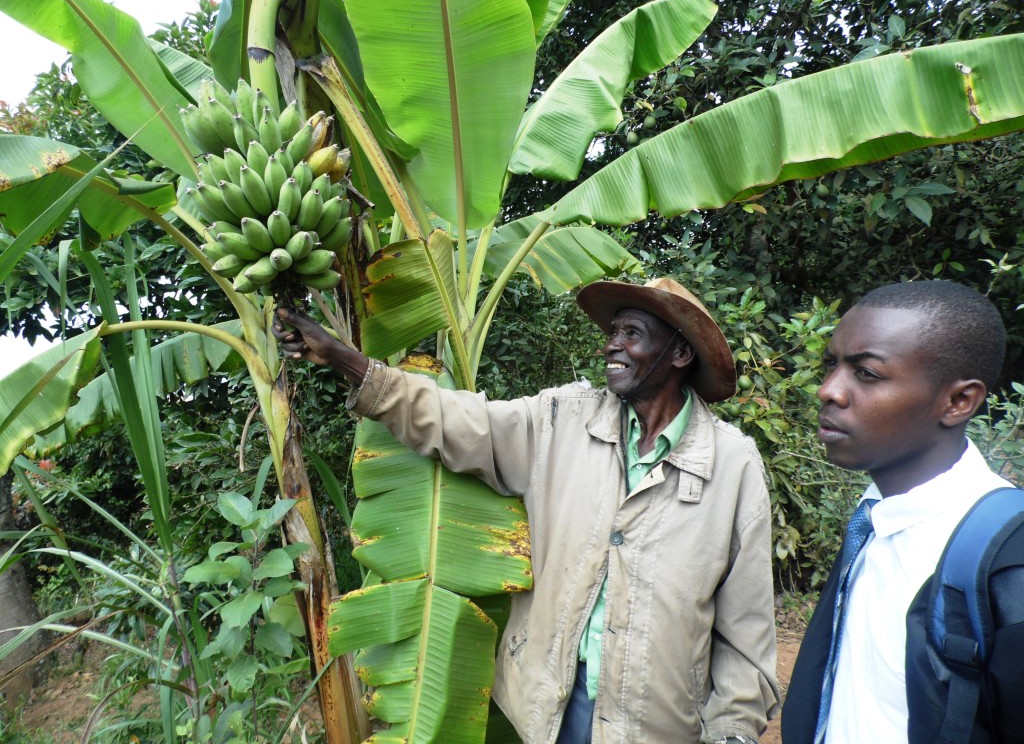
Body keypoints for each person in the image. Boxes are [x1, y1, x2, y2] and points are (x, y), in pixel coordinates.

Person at [274, 276, 780, 744]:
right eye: (613, 331)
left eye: (633, 333)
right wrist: (346, 360)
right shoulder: (563, 420)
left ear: (680, 352)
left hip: (656, 724)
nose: (612, 344)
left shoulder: (732, 466)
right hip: (545, 712)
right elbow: (459, 422)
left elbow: (745, 632)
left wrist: (733, 729)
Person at [781, 279, 1015, 744]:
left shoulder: (1003, 556)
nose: (829, 391)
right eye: (832, 365)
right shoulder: (874, 517)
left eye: (866, 374)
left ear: (958, 402)